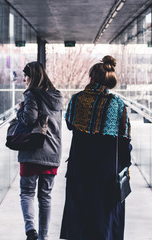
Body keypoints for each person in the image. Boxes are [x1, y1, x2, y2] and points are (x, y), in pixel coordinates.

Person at [60, 55, 131, 240]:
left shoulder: (77, 100)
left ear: (91, 78)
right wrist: (125, 166)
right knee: (104, 214)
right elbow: (124, 141)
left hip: (80, 166)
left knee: (80, 211)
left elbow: (69, 123)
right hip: (107, 171)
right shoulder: (116, 104)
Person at [16, 61, 62, 240]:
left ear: (31, 76)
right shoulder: (57, 96)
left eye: (25, 76)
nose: (24, 80)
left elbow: (29, 118)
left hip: (32, 151)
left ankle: (30, 231)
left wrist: (20, 110)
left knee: (27, 192)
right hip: (52, 152)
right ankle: (44, 237)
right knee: (45, 196)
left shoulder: (31, 94)